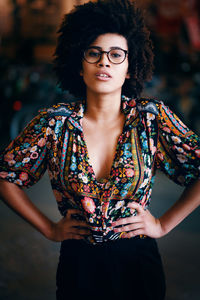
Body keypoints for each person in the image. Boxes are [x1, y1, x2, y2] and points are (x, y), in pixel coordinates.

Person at [0, 0, 200, 299]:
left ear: (131, 68)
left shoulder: (151, 118)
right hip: (79, 266)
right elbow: (7, 176)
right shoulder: (54, 123)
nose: (104, 62)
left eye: (116, 55)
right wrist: (50, 229)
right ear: (79, 65)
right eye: (94, 53)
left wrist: (162, 224)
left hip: (139, 265)